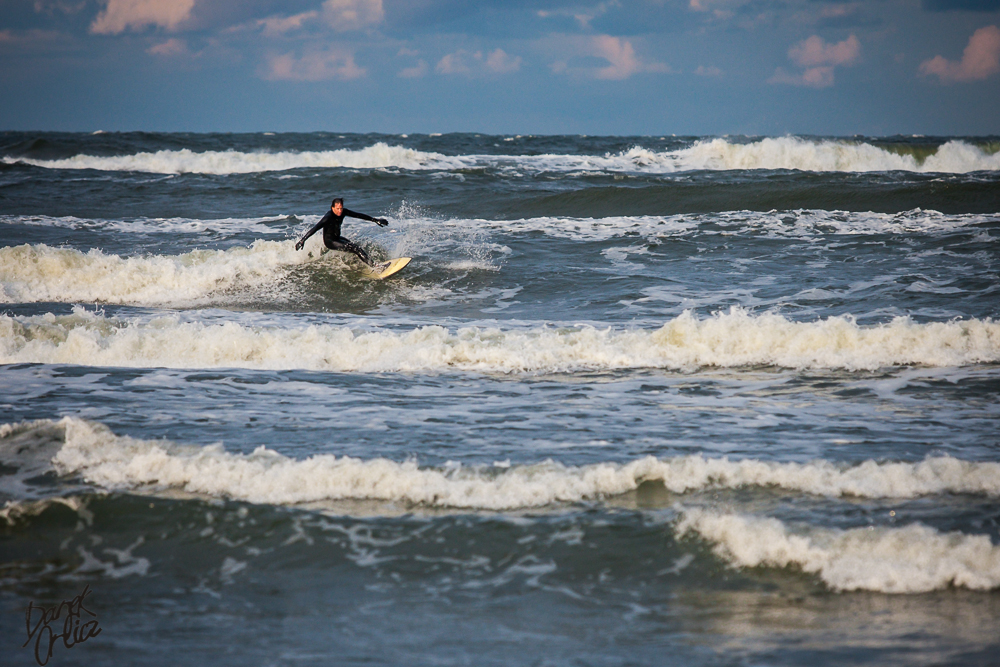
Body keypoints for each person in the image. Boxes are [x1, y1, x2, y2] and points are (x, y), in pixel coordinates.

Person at [295, 198, 389, 266]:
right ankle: (374, 266)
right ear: (332, 208)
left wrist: (375, 220)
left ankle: (363, 263)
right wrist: (302, 240)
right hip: (330, 242)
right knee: (356, 249)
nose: (340, 211)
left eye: (341, 208)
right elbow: (315, 228)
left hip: (337, 238)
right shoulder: (328, 217)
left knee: (354, 246)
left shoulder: (343, 212)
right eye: (337, 209)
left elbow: (357, 215)